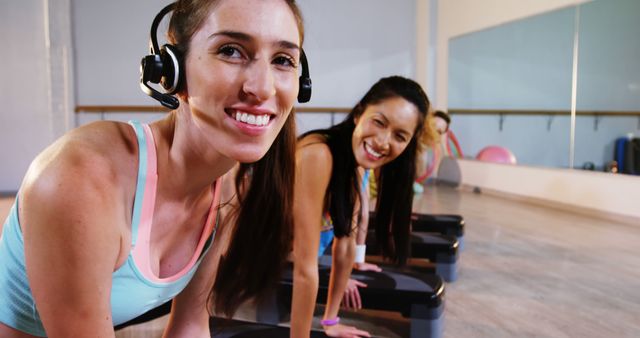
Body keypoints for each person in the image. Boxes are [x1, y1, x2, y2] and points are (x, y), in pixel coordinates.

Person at [0, 0, 307, 337]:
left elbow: (190, 326)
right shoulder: (82, 177)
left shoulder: (225, 188)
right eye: (231, 51)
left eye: (282, 60)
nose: (262, 87)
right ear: (172, 68)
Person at [291, 76, 434, 338]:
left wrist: (331, 321)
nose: (382, 141)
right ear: (359, 113)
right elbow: (304, 268)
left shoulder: (355, 168)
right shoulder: (318, 155)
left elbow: (344, 246)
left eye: (399, 136)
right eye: (379, 122)